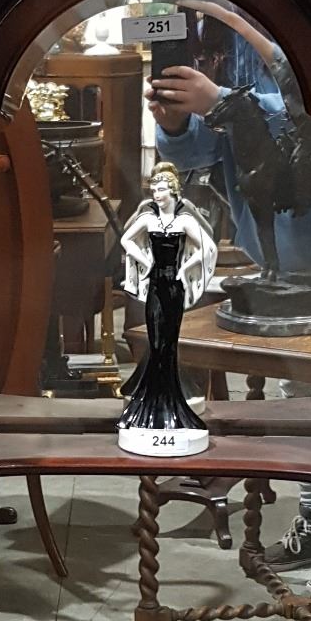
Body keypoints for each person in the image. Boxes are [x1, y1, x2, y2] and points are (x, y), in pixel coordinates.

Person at [145, 0, 311, 568]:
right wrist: (175, 121)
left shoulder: (288, 8)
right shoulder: (201, 25)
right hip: (267, 230)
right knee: (300, 376)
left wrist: (225, 99)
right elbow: (200, 153)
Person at [118, 162, 218, 452]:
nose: (156, 194)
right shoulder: (148, 220)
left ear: (173, 191)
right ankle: (151, 402)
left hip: (173, 288)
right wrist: (145, 260)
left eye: (161, 189)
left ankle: (170, 402)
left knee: (169, 345)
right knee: (155, 341)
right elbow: (126, 239)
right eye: (153, 189)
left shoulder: (184, 221)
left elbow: (208, 248)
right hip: (155, 287)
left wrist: (186, 267)